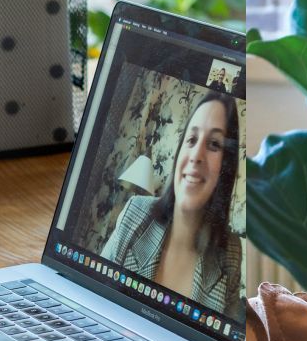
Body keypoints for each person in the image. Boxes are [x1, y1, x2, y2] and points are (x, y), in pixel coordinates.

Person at [101, 89, 242, 313]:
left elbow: (226, 339)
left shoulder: (231, 253)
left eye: (214, 144)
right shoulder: (135, 213)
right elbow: (92, 293)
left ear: (225, 166)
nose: (196, 155)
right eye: (192, 139)